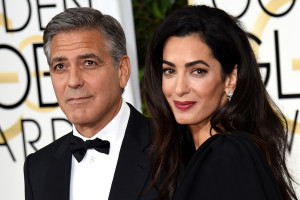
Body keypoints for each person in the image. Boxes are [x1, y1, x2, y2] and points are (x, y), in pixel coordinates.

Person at [144, 5, 298, 200]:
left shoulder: (227, 153)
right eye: (170, 71)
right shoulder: (192, 156)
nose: (179, 88)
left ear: (230, 79)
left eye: (197, 71)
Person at [24, 7, 157, 200]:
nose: (73, 81)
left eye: (88, 63)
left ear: (122, 70)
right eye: (60, 66)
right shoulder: (37, 168)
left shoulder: (173, 148)